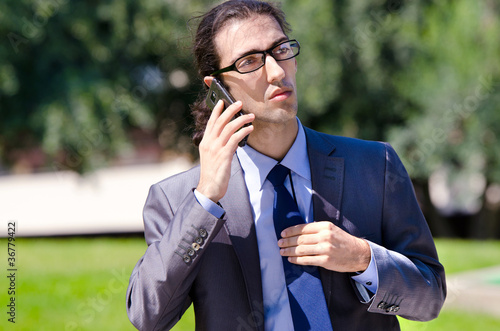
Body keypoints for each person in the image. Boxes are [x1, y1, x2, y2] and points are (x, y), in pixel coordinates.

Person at [126, 1, 446, 330]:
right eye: (249, 61)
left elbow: (430, 297)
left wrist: (362, 258)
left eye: (280, 49)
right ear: (218, 87)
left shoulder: (374, 166)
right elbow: (149, 316)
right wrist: (205, 198)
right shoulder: (176, 198)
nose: (277, 72)